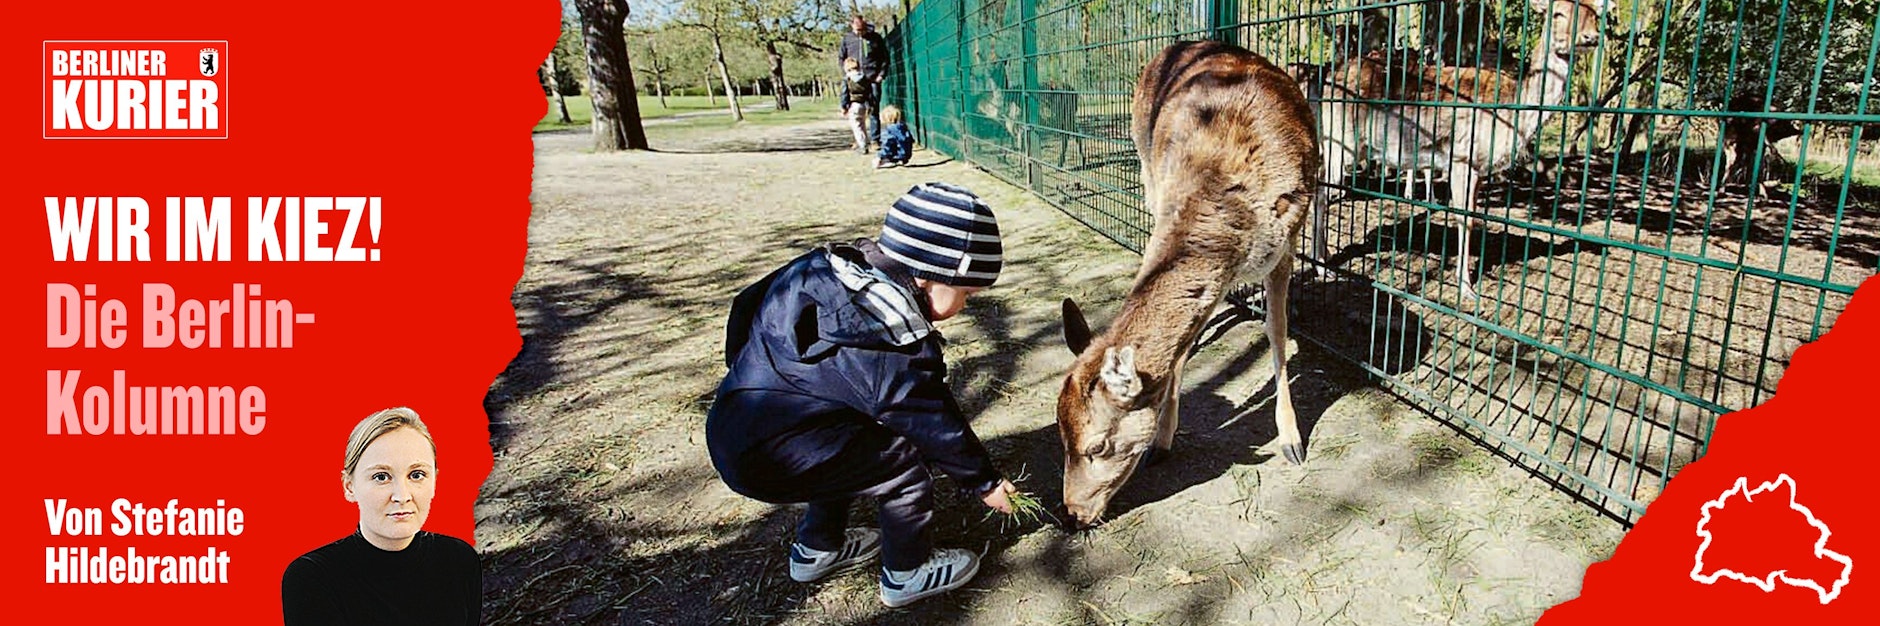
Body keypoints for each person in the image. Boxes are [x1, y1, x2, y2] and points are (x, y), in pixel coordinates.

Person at [706, 182, 1018, 608]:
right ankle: (907, 573)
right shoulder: (890, 332)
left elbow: (746, 305)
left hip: (736, 422)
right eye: (967, 293)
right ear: (930, 275)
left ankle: (818, 549)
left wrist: (746, 371)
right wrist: (984, 482)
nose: (966, 304)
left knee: (845, 442)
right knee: (904, 461)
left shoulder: (821, 270)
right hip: (773, 456)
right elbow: (929, 418)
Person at [282, 408, 479, 626]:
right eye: (381, 477)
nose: (402, 496)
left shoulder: (460, 561)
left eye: (416, 475)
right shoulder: (312, 576)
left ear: (435, 481)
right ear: (349, 486)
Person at [837, 14, 890, 147]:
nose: (860, 32)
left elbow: (884, 58)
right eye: (858, 30)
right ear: (852, 26)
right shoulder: (847, 39)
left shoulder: (875, 38)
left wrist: (881, 75)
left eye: (863, 29)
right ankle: (860, 139)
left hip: (872, 79)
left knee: (873, 109)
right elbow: (841, 58)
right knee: (856, 111)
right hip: (854, 81)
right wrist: (847, 73)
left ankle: (875, 139)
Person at [841, 59, 874, 154]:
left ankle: (862, 146)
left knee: (856, 126)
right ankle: (865, 143)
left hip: (853, 105)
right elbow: (870, 93)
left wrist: (844, 107)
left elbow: (844, 94)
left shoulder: (847, 79)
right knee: (862, 125)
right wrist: (870, 105)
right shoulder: (865, 78)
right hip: (864, 104)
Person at [875, 104, 913, 169]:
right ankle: (901, 159)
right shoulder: (903, 128)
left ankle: (890, 160)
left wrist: (880, 155)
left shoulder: (888, 130)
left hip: (895, 155)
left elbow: (887, 145)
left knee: (879, 159)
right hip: (906, 154)